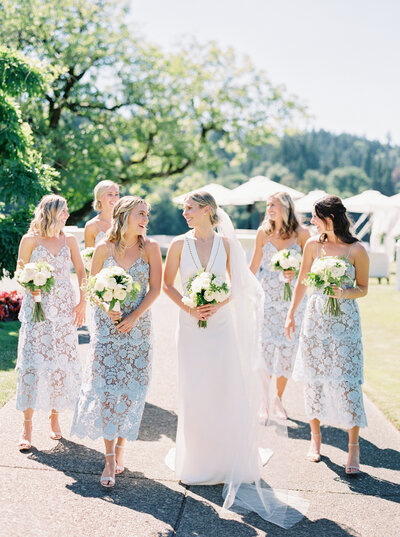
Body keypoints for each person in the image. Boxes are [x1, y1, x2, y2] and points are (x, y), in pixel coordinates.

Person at [163, 191, 308, 527]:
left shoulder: (227, 245)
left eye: (189, 208)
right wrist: (188, 305)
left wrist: (218, 303)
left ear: (207, 211)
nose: (185, 213)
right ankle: (196, 460)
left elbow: (240, 286)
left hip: (220, 327)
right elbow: (168, 285)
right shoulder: (177, 245)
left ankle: (226, 459)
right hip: (189, 328)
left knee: (222, 389)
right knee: (193, 390)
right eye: (184, 208)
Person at [71, 196, 162, 488]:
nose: (146, 218)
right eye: (141, 213)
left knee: (129, 392)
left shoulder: (151, 248)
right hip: (107, 330)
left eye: (147, 214)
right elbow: (93, 287)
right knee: (108, 391)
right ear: (124, 215)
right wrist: (106, 304)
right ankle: (109, 457)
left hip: (138, 329)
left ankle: (121, 450)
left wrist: (134, 316)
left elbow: (156, 288)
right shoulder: (103, 248)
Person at [285, 195, 369, 474]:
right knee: (314, 379)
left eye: (314, 217)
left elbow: (363, 288)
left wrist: (343, 292)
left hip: (345, 324)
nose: (311, 221)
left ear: (329, 219)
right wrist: (290, 313)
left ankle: (353, 449)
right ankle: (315, 441)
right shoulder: (312, 244)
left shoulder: (356, 249)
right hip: (316, 320)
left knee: (348, 382)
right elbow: (302, 281)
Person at [16, 195, 86, 450]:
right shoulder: (30, 240)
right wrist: (31, 285)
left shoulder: (68, 239)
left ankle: (54, 418)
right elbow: (20, 271)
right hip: (38, 309)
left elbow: (80, 271)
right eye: (64, 211)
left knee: (59, 365)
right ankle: (27, 426)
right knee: (33, 364)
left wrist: (82, 302)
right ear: (51, 212)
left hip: (64, 310)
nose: (67, 215)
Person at [250, 193, 309, 418]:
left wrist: (295, 271)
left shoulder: (302, 234)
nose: (269, 208)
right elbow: (254, 267)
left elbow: (311, 267)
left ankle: (278, 399)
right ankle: (264, 402)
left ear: (285, 206)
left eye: (273, 204)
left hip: (293, 303)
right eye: (267, 205)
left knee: (287, 351)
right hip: (266, 303)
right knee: (264, 351)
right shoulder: (263, 233)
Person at [84, 180, 120, 247]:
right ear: (99, 197)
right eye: (110, 194)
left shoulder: (125, 221)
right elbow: (88, 256)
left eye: (116, 194)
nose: (114, 198)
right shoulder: (91, 226)